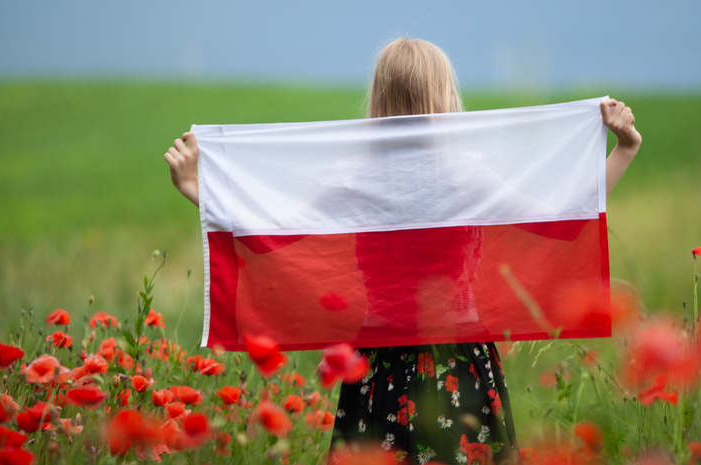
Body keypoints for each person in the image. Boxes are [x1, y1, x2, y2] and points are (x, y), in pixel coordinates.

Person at [164, 36, 640, 464]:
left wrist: (194, 188)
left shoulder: (356, 175)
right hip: (461, 362)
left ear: (379, 98)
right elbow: (560, 221)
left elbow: (273, 234)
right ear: (444, 96)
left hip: (377, 366)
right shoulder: (466, 173)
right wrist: (623, 150)